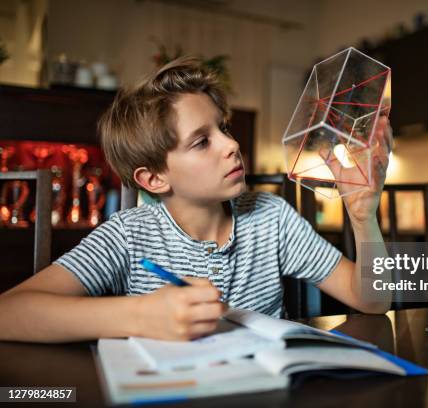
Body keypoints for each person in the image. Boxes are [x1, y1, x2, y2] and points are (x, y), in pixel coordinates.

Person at [0, 56, 392, 343]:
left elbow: (371, 301)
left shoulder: (271, 219)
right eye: (202, 141)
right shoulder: (128, 236)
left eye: (223, 128)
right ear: (154, 178)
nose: (232, 144)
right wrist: (139, 315)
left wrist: (363, 217)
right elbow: (8, 313)